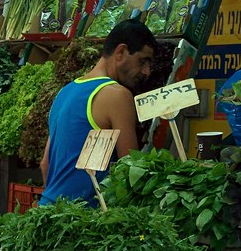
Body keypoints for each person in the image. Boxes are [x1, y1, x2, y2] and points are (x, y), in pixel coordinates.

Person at [39, 20, 156, 206]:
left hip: (48, 211)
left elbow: (45, 164)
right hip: (84, 221)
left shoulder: (65, 92)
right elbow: (132, 170)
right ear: (121, 52)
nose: (147, 71)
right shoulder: (116, 95)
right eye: (143, 61)